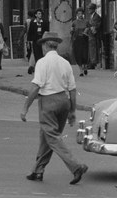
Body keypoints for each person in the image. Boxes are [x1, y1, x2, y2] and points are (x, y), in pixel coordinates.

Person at [20, 31, 88, 185]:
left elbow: (35, 87)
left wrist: (25, 108)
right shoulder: (65, 63)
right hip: (64, 101)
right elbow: (72, 89)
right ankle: (38, 170)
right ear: (55, 46)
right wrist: (72, 111)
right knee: (47, 136)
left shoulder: (42, 63)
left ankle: (76, 166)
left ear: (45, 45)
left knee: (52, 137)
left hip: (48, 102)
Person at [25, 9, 47, 74]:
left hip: (42, 39)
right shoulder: (32, 22)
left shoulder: (45, 22)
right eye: (38, 14)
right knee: (36, 53)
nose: (40, 15)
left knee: (42, 53)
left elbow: (47, 31)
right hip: (35, 40)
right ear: (36, 15)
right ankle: (36, 67)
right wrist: (29, 40)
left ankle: (41, 68)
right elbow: (30, 32)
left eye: (41, 14)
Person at [70, 7, 90, 77]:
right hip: (77, 40)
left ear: (83, 14)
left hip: (84, 39)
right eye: (78, 13)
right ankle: (81, 71)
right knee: (78, 55)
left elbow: (89, 29)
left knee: (85, 54)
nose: (80, 15)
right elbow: (71, 32)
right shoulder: (74, 22)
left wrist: (86, 30)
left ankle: (85, 66)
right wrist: (71, 30)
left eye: (81, 13)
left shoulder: (86, 21)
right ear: (77, 14)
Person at [86, 3, 102, 71]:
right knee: (91, 50)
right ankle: (91, 63)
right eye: (88, 9)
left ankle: (93, 63)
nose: (88, 10)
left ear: (93, 9)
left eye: (90, 9)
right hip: (91, 36)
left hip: (93, 36)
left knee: (93, 50)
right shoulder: (92, 16)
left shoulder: (96, 17)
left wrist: (91, 29)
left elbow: (95, 26)